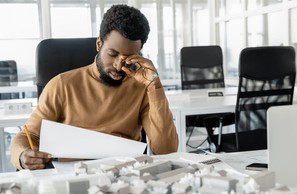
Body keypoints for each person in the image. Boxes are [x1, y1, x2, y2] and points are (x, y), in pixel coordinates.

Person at [11, 4, 178, 170]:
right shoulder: (61, 85)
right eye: (112, 54)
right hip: (71, 176)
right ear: (99, 44)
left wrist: (154, 86)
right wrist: (21, 155)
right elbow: (28, 136)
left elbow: (167, 151)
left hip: (125, 177)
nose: (119, 65)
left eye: (129, 58)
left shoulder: (142, 88)